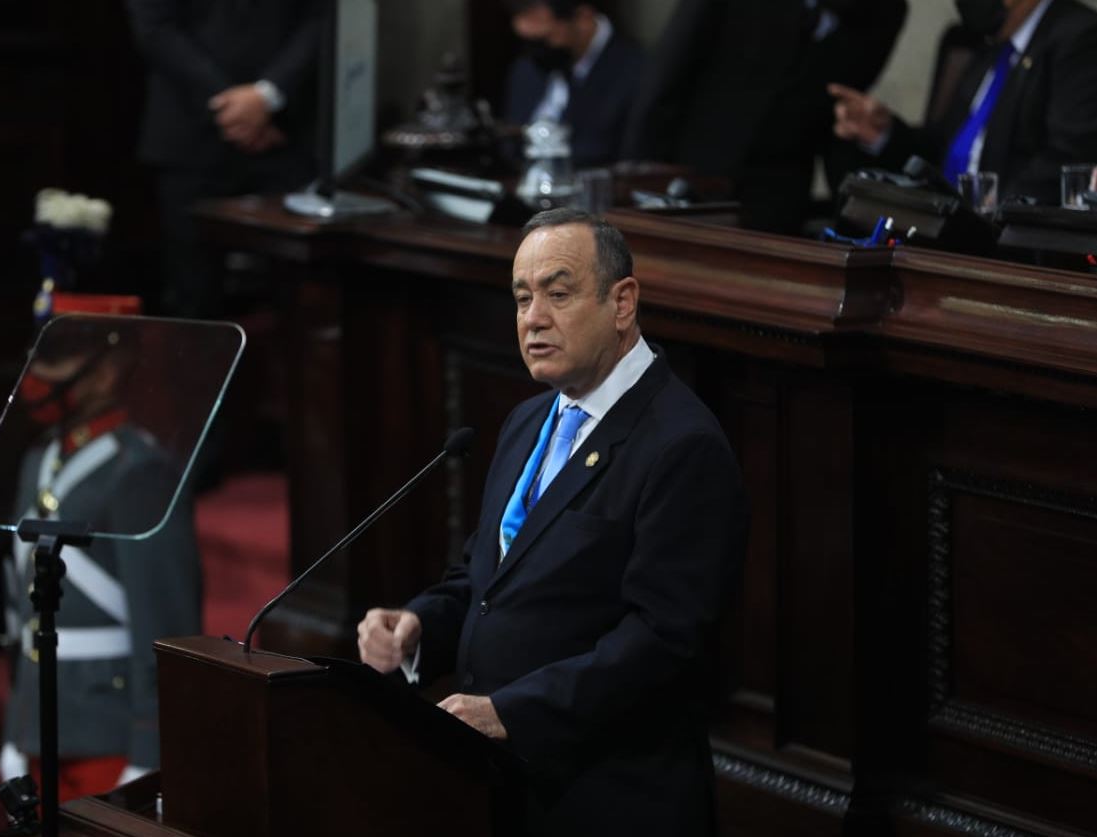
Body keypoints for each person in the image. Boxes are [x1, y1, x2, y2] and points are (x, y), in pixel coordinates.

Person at [357, 208, 748, 835]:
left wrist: (511, 712)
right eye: (521, 298)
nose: (533, 318)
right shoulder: (527, 421)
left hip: (610, 800)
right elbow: (486, 577)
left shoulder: (681, 445)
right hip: (506, 785)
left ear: (622, 302)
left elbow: (663, 640)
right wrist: (418, 627)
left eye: (558, 294)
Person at [0, 294, 202, 801]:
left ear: (109, 370)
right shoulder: (38, 459)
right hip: (41, 728)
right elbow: (21, 612)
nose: (41, 373)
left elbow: (167, 625)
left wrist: (148, 755)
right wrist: (14, 728)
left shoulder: (139, 473)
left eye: (60, 357)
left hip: (109, 738)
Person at [622, 0, 906, 233]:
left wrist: (850, 215)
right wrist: (638, 187)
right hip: (691, 179)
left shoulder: (883, 11)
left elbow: (843, 110)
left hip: (779, 201)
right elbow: (665, 81)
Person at [126, 1, 325, 317]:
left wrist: (268, 95)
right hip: (188, 140)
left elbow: (322, 17)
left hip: (287, 136)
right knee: (191, 298)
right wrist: (234, 108)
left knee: (296, 302)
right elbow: (154, 28)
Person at [829, 0, 1097, 203]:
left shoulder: (1078, 36)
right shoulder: (989, 46)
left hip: (1013, 246)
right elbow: (945, 149)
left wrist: (988, 215)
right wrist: (884, 132)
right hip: (951, 228)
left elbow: (1067, 158)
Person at [502, 0, 645, 168]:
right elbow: (510, 147)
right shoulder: (526, 69)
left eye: (545, 39)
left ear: (583, 18)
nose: (536, 52)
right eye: (529, 42)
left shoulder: (638, 73)